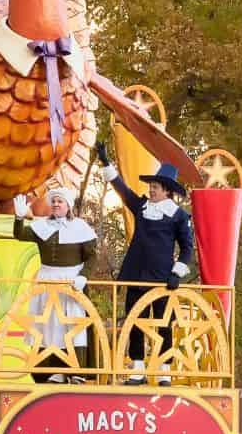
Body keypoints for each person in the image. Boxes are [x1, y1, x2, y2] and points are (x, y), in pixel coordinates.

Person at [97, 144, 196, 383]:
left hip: (163, 279)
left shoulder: (179, 216)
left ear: (166, 191)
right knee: (134, 321)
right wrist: (106, 163)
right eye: (151, 186)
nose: (151, 190)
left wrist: (177, 273)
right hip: (136, 273)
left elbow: (187, 249)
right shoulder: (142, 207)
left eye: (155, 187)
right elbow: (124, 191)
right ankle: (138, 369)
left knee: (163, 324)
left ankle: (164, 372)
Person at [11, 186, 97, 381]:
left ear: (68, 205)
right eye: (54, 201)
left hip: (71, 282)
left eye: (60, 201)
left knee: (74, 326)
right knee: (49, 327)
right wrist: (19, 217)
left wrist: (83, 276)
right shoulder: (43, 226)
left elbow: (92, 256)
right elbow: (19, 235)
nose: (56, 204)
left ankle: (76, 371)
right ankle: (53, 372)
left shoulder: (80, 227)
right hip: (47, 281)